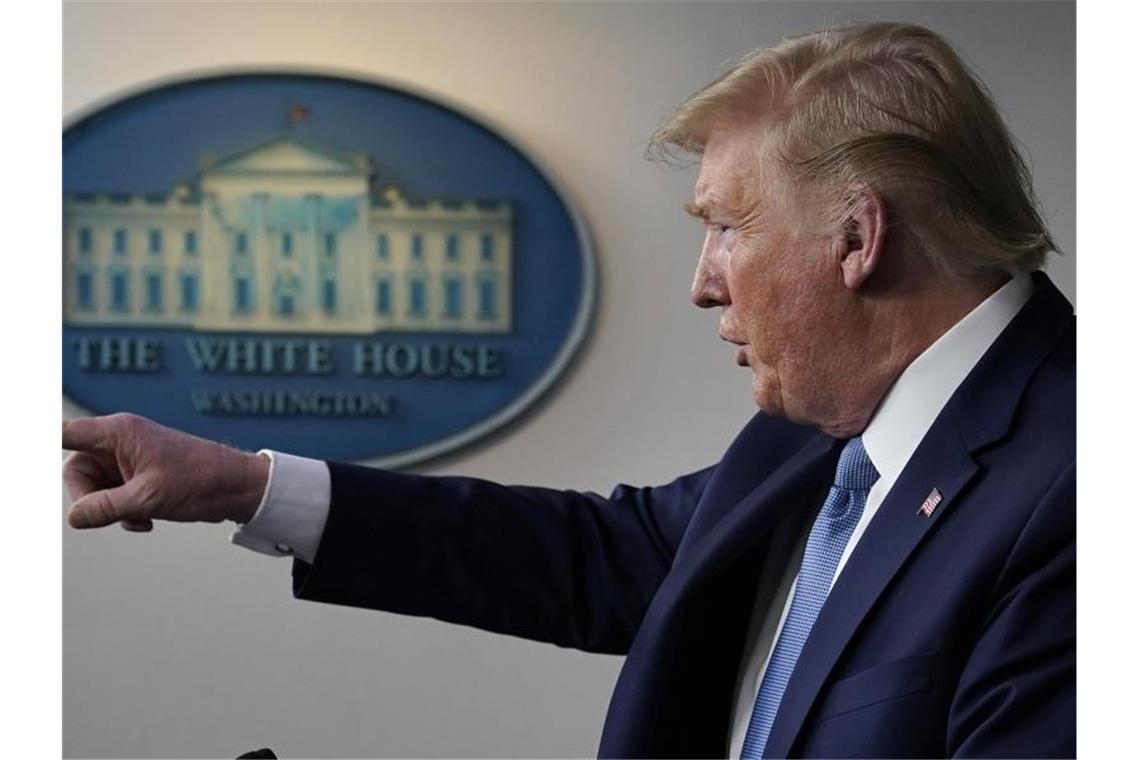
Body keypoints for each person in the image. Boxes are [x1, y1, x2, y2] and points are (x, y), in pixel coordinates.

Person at [62, 22, 1074, 758]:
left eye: (725, 225)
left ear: (858, 236)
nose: (702, 280)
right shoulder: (823, 431)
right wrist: (242, 482)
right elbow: (603, 555)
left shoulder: (1084, 485)